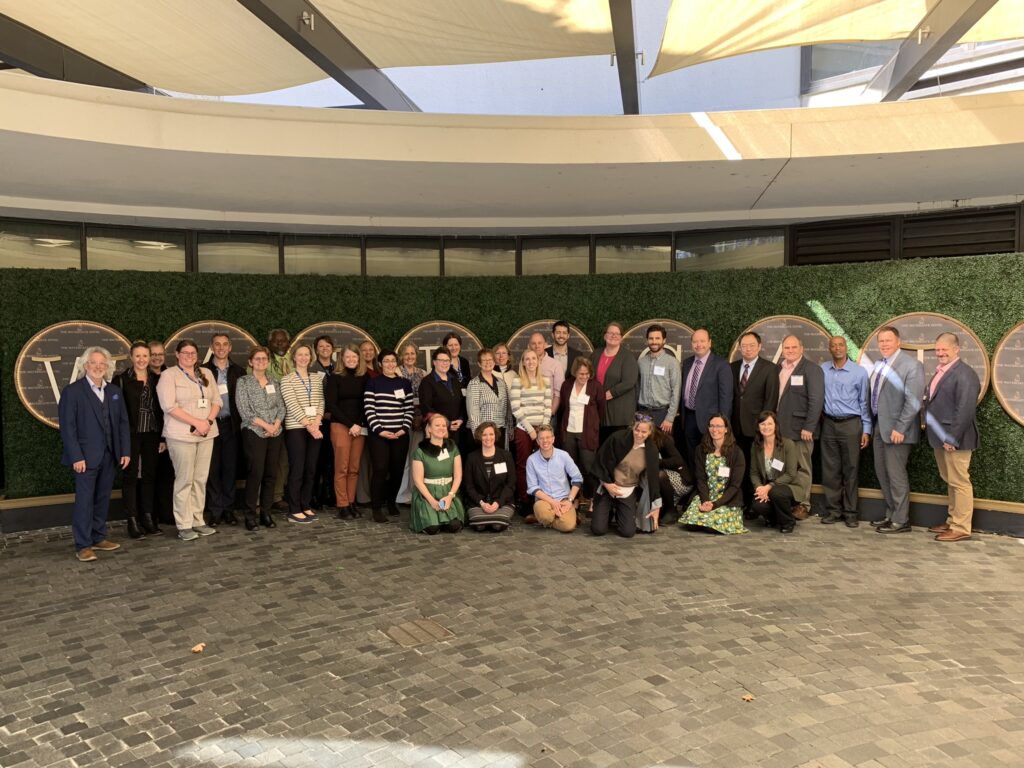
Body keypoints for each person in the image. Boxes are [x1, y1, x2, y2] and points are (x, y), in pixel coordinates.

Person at [59, 347, 131, 562]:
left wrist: (125, 451)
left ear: (108, 366)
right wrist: (76, 456)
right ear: (85, 366)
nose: (98, 367)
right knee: (84, 501)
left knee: (102, 499)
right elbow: (68, 428)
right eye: (93, 363)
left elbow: (122, 424)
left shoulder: (114, 392)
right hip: (85, 458)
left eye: (102, 363)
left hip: (110, 456)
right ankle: (83, 545)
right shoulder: (72, 392)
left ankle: (98, 537)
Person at [157, 339, 221, 541]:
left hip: (207, 433)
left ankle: (197, 520)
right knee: (185, 479)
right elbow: (169, 406)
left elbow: (217, 401)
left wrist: (207, 422)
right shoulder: (169, 376)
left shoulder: (206, 373)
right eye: (185, 353)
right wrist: (196, 422)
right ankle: (184, 525)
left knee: (200, 479)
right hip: (181, 435)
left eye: (193, 353)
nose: (189, 356)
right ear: (177, 354)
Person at [868, 326, 925, 534]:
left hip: (898, 433)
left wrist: (900, 428)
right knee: (883, 474)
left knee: (896, 476)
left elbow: (913, 401)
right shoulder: (879, 365)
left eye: (888, 340)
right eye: (881, 341)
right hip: (879, 430)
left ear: (898, 342)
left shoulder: (912, 366)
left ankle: (901, 520)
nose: (884, 344)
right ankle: (891, 514)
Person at [924, 332, 980, 542]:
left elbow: (965, 410)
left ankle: (961, 527)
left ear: (957, 349)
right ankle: (952, 520)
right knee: (951, 480)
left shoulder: (965, 374)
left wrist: (952, 439)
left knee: (960, 482)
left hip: (955, 440)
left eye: (944, 349)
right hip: (941, 438)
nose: (940, 353)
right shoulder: (943, 371)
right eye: (937, 350)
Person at [113, 341, 164, 538]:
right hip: (131, 435)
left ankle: (148, 518)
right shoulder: (121, 380)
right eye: (138, 356)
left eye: (145, 356)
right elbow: (116, 413)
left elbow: (161, 411)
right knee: (131, 476)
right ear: (131, 357)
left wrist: (163, 437)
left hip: (152, 433)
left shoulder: (157, 379)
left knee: (150, 476)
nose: (142, 360)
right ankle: (132, 520)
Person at [819, 336, 871, 528]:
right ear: (829, 349)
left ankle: (850, 513)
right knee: (830, 470)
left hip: (851, 424)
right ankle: (833, 511)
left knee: (851, 469)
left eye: (841, 345)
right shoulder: (822, 369)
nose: (837, 348)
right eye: (833, 345)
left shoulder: (859, 372)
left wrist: (866, 429)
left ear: (846, 347)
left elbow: (864, 403)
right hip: (829, 424)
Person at [234, 346, 285, 531]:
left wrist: (276, 424)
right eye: (257, 359)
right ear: (250, 361)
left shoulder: (274, 381)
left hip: (275, 433)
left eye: (264, 359)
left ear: (268, 362)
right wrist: (266, 426)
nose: (261, 362)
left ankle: (266, 513)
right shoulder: (244, 382)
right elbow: (244, 410)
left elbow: (281, 406)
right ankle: (250, 515)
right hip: (254, 431)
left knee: (271, 474)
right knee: (255, 473)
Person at [775, 335, 825, 519]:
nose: (790, 351)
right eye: (786, 348)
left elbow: (816, 400)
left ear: (801, 348)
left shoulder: (812, 369)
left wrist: (809, 427)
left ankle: (804, 504)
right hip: (780, 429)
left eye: (794, 347)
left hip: (801, 430)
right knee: (781, 467)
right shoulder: (780, 369)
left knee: (802, 468)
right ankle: (785, 502)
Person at [730, 331, 779, 515]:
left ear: (759, 347)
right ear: (739, 348)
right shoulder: (732, 367)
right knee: (737, 466)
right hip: (735, 428)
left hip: (756, 429)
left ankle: (754, 505)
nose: (747, 349)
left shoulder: (770, 368)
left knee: (755, 468)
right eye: (744, 346)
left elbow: (770, 402)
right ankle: (738, 501)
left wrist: (764, 428)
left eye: (751, 345)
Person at [591, 413, 663, 537]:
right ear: (632, 427)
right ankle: (607, 511)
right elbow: (600, 462)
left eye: (644, 432)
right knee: (598, 530)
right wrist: (607, 484)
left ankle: (619, 511)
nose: (639, 435)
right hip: (608, 486)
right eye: (637, 430)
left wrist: (656, 506)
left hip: (628, 489)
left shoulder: (651, 451)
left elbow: (653, 479)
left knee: (628, 532)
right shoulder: (617, 438)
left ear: (650, 432)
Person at [364, 349, 414, 522]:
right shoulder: (373, 382)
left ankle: (391, 502)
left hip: (400, 435)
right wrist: (380, 430)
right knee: (380, 469)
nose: (390, 364)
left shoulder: (405, 383)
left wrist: (403, 428)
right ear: (380, 363)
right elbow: (369, 409)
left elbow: (409, 409)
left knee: (397, 470)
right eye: (386, 361)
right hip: (379, 436)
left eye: (393, 361)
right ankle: (376, 508)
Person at [202, 333, 245, 526]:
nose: (221, 348)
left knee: (230, 468)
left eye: (225, 344)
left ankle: (228, 509)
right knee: (212, 468)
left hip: (232, 425)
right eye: (217, 344)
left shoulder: (239, 371)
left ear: (230, 348)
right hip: (210, 425)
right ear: (212, 347)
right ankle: (215, 510)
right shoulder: (201, 371)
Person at [678, 414, 747, 535]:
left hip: (727, 499)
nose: (715, 430)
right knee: (691, 525)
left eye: (719, 426)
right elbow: (701, 479)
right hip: (706, 496)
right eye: (712, 426)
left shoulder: (736, 452)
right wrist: (705, 501)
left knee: (712, 527)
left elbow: (735, 486)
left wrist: (715, 504)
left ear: (726, 429)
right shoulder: (701, 449)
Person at [280, 344, 325, 524]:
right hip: (297, 428)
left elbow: (321, 401)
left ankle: (305, 505)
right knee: (297, 469)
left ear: (311, 357)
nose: (304, 357)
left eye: (307, 354)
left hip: (316, 426)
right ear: (294, 357)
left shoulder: (316, 378)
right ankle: (294, 509)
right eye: (300, 354)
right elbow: (291, 404)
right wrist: (309, 425)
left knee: (311, 469)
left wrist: (317, 421)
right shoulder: (287, 379)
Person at [325, 343, 368, 519]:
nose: (351, 359)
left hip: (359, 427)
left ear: (359, 359)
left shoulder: (364, 377)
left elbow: (366, 403)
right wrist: (351, 424)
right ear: (342, 358)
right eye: (348, 356)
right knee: (341, 468)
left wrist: (358, 424)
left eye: (354, 357)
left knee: (354, 468)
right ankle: (342, 505)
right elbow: (331, 405)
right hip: (340, 426)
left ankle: (351, 502)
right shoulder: (335, 377)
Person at [555, 356, 605, 507]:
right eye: (581, 373)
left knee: (588, 467)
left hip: (587, 433)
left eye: (587, 374)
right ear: (575, 372)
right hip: (568, 431)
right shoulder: (567, 385)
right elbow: (563, 406)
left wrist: (593, 425)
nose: (584, 377)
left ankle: (592, 499)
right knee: (570, 466)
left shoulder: (596, 386)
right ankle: (574, 499)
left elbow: (601, 409)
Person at [680, 328, 733, 470]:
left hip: (711, 421)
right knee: (691, 455)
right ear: (691, 344)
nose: (699, 344)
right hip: (689, 416)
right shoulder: (686, 363)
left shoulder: (721, 365)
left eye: (702, 341)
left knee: (710, 456)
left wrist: (722, 423)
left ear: (710, 343)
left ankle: (708, 486)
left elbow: (726, 396)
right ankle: (695, 485)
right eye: (695, 341)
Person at [409, 413, 466, 534]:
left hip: (448, 492)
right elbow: (418, 481)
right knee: (432, 528)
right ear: (429, 428)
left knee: (454, 526)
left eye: (444, 425)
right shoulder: (420, 451)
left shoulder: (452, 447)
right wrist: (432, 501)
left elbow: (458, 476)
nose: (441, 428)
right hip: (427, 494)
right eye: (437, 425)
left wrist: (450, 496)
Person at [510, 348, 552, 511]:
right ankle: (524, 499)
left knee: (543, 464)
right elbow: (515, 408)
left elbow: (547, 407)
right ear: (523, 362)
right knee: (524, 464)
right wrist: (530, 430)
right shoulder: (517, 381)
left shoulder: (546, 381)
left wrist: (543, 430)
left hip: (542, 429)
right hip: (523, 429)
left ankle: (542, 498)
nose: (530, 362)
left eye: (533, 358)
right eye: (527, 359)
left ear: (538, 361)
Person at [749, 411, 802, 533]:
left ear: (776, 425)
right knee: (757, 506)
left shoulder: (787, 444)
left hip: (788, 486)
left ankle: (788, 522)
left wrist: (769, 487)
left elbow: (791, 474)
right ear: (758, 426)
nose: (766, 427)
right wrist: (759, 488)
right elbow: (754, 473)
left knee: (776, 492)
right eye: (762, 424)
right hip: (766, 487)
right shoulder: (756, 446)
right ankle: (773, 519)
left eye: (769, 423)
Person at [526, 424, 583, 533]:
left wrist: (570, 500)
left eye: (548, 437)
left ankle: (543, 519)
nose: (545, 441)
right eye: (541, 438)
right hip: (544, 500)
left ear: (553, 439)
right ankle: (547, 517)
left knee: (568, 526)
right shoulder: (531, 460)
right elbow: (533, 488)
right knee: (544, 515)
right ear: (537, 441)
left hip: (563, 500)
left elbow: (577, 479)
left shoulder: (564, 455)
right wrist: (552, 502)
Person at [591, 322, 639, 445]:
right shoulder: (596, 354)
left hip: (620, 412)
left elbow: (630, 381)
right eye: (610, 333)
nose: (613, 336)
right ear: (604, 336)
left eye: (617, 333)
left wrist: (610, 393)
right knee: (601, 446)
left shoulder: (627, 357)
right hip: (599, 410)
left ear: (621, 337)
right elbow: (589, 376)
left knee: (617, 448)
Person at [463, 422, 516, 532]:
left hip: (502, 502)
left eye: (491, 434)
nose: (488, 438)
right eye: (484, 434)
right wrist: (482, 503)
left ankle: (496, 516)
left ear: (495, 436)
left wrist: (498, 503)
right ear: (479, 436)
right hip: (478, 502)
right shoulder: (471, 458)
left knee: (498, 526)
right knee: (479, 526)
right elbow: (469, 487)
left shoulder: (506, 456)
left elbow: (510, 484)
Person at [396, 343, 429, 506]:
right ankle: (402, 495)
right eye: (406, 354)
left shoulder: (423, 374)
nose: (410, 357)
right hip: (400, 421)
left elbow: (425, 399)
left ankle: (415, 492)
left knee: (416, 458)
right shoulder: (396, 372)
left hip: (418, 422)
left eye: (412, 354)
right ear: (402, 356)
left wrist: (420, 418)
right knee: (403, 460)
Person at [148, 339, 175, 525]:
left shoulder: (171, 375)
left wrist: (164, 436)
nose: (157, 358)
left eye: (160, 354)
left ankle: (166, 514)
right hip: (149, 434)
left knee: (167, 476)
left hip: (168, 434)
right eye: (153, 354)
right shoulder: (142, 377)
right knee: (149, 476)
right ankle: (150, 515)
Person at [266, 329, 293, 511]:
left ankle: (278, 496)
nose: (280, 345)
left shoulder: (294, 360)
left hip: (293, 418)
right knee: (269, 459)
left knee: (284, 459)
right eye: (276, 342)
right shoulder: (263, 360)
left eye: (283, 342)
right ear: (270, 344)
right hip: (270, 419)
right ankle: (265, 498)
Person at [637, 324, 681, 434]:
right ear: (647, 340)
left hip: (662, 414)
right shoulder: (641, 362)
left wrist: (670, 418)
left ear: (664, 340)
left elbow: (676, 391)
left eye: (657, 338)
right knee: (644, 447)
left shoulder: (672, 362)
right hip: (643, 413)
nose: (654, 341)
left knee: (663, 447)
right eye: (651, 338)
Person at [311, 334, 337, 511]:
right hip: (317, 420)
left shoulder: (338, 368)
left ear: (333, 349)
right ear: (316, 349)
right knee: (317, 459)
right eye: (321, 346)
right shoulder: (312, 368)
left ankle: (329, 493)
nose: (325, 349)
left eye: (328, 346)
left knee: (331, 458)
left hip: (335, 419)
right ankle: (314, 495)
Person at [466, 348, 510, 446]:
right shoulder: (474, 384)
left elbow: (505, 409)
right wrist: (480, 437)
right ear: (479, 364)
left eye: (490, 360)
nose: (487, 362)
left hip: (499, 432)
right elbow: (473, 414)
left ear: (494, 362)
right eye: (484, 360)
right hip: (483, 434)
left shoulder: (501, 383)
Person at [652, 425, 692, 525]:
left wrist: (657, 462)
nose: (640, 433)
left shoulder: (663, 439)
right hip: (663, 478)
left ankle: (671, 510)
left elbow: (678, 460)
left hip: (681, 479)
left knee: (659, 475)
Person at [529, 332, 564, 418]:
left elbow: (558, 392)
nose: (537, 346)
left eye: (540, 343)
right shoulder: (525, 364)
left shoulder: (555, 365)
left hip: (548, 414)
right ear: (529, 346)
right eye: (533, 343)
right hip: (529, 413)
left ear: (545, 344)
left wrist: (551, 413)